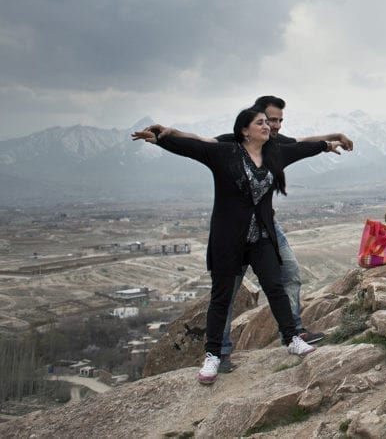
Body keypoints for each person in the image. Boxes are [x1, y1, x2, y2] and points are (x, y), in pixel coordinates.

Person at [131, 109, 345, 385]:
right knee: (221, 297)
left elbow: (302, 149)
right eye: (260, 123)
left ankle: (292, 338)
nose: (267, 126)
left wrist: (328, 145)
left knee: (275, 286)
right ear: (244, 130)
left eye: (268, 123)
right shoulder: (226, 153)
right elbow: (193, 147)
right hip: (228, 239)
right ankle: (214, 355)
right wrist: (161, 139)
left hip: (261, 238)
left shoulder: (274, 154)